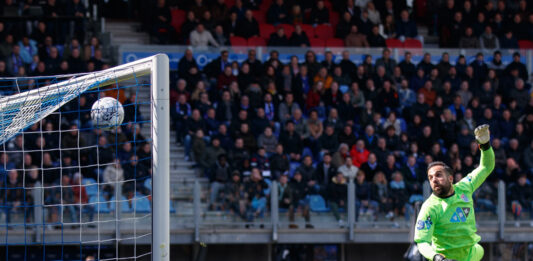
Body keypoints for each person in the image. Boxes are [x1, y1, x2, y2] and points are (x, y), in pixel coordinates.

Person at [414, 124, 495, 261]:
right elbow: (422, 242)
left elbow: (486, 167)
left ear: (450, 178)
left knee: (479, 249)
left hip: (471, 255)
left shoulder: (465, 187)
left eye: (438, 175)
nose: (434, 180)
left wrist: (485, 146)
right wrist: (437, 258)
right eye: (430, 177)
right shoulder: (430, 207)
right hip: (447, 259)